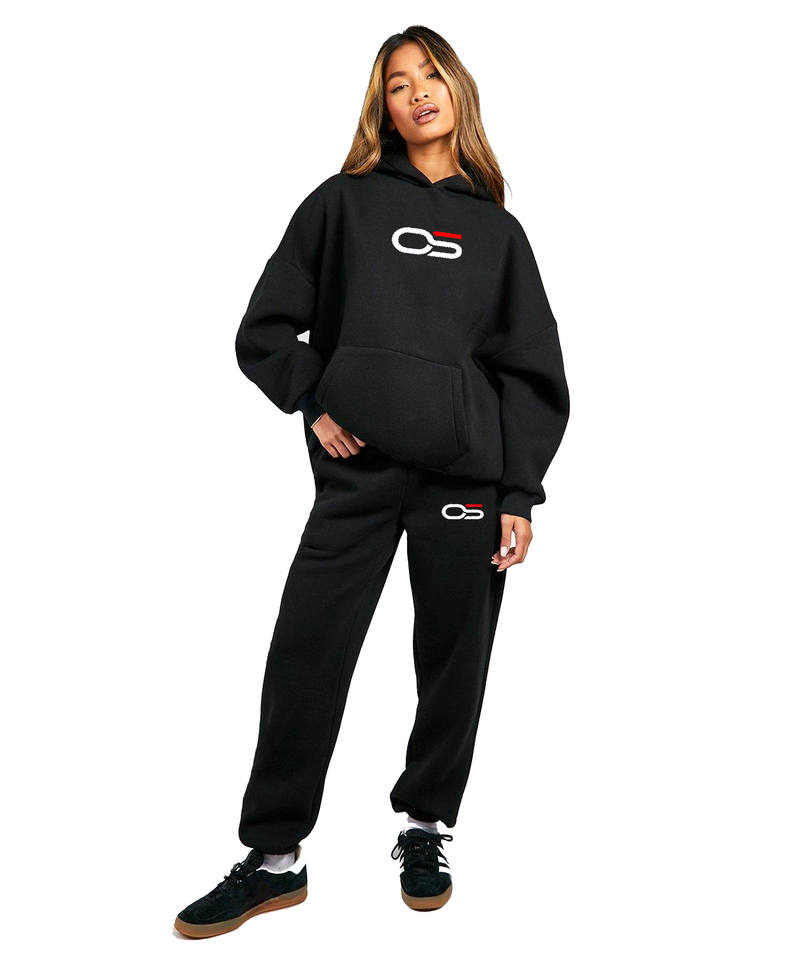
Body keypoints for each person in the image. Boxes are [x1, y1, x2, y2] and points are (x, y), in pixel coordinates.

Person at [173, 24, 569, 937]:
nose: (418, 91)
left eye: (432, 75)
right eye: (398, 82)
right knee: (306, 652)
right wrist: (314, 399)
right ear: (381, 106)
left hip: (464, 480)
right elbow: (265, 329)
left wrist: (519, 493)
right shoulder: (341, 204)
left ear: (457, 90)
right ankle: (274, 859)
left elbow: (532, 373)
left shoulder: (497, 233)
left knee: (455, 660)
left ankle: (426, 827)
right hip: (356, 477)